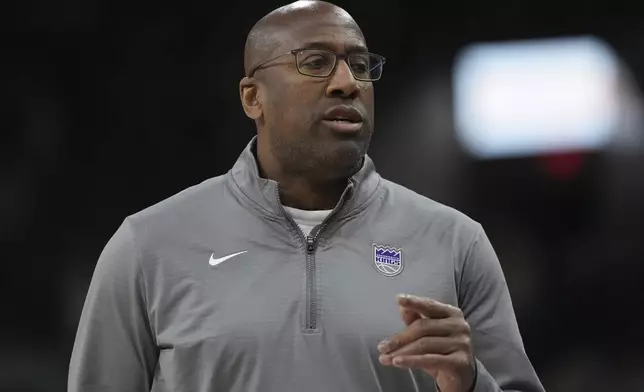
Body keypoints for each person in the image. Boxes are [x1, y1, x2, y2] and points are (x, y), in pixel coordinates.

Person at [68, 1, 546, 391]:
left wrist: (469, 384)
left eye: (360, 65)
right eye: (315, 63)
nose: (347, 82)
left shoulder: (455, 242)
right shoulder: (149, 245)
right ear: (253, 98)